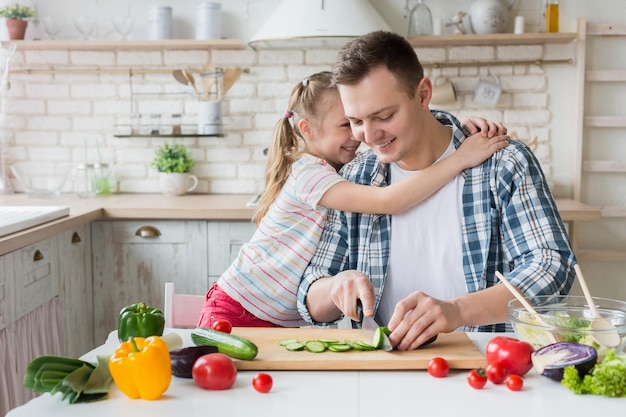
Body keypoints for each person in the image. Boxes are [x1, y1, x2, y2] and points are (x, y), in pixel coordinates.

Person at [297, 31, 577, 350]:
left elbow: (553, 267)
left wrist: (456, 311)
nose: (370, 135)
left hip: (485, 365)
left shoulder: (502, 163)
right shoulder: (355, 179)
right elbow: (309, 295)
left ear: (423, 95)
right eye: (355, 121)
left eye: (384, 116)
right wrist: (336, 285)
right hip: (383, 367)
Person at [198, 71, 509, 328]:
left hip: (275, 319)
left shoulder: (344, 170)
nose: (361, 134)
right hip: (237, 309)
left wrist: (457, 131)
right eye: (348, 124)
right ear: (308, 128)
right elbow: (390, 201)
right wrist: (459, 158)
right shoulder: (310, 172)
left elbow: (413, 136)